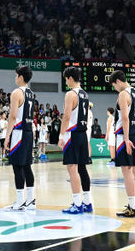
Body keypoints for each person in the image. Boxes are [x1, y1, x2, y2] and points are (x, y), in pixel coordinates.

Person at [110, 70, 135, 218]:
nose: (115, 89)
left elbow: (125, 117)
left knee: (127, 171)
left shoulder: (123, 94)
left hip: (125, 136)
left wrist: (125, 139)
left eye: (114, 86)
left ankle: (132, 207)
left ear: (118, 81)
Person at [2, 65, 36, 211]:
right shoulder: (31, 93)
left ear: (21, 77)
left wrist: (7, 136)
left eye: (16, 75)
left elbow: (13, 116)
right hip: (29, 131)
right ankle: (31, 200)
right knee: (27, 166)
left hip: (19, 132)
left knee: (17, 166)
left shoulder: (17, 92)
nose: (15, 78)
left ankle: (20, 201)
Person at [59, 66, 92, 215]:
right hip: (82, 134)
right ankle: (87, 202)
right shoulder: (85, 94)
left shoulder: (70, 94)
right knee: (82, 168)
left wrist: (61, 136)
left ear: (71, 78)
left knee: (72, 169)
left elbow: (66, 116)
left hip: (72, 134)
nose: (66, 82)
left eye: (66, 79)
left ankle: (77, 204)